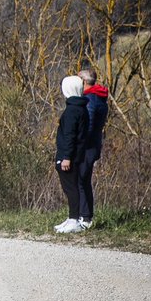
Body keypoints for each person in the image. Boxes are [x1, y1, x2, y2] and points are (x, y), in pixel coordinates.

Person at [62, 66, 109, 233]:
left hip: (87, 147)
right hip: (93, 145)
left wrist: (77, 145)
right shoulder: (99, 97)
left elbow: (85, 128)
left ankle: (85, 217)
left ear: (83, 82)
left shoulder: (91, 99)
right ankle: (84, 216)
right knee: (83, 180)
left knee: (81, 180)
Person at [54, 74, 89, 233]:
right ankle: (71, 218)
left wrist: (66, 157)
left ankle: (74, 220)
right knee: (71, 187)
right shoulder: (81, 108)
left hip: (69, 157)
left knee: (71, 188)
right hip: (76, 155)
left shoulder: (72, 111)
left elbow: (70, 136)